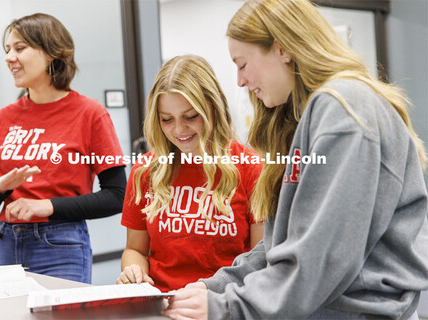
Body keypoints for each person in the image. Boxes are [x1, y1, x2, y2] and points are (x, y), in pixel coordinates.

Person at [165, 0, 428, 319]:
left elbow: (319, 258)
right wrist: (217, 287)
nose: (240, 81)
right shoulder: (312, 116)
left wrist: (227, 306)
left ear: (282, 49)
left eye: (243, 64)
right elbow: (286, 241)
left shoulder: (343, 111)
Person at [0, 13, 126, 284]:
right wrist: (0, 185)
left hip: (61, 246)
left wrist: (47, 206)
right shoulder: (0, 120)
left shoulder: (90, 114)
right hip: (6, 242)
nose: (9, 57)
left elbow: (117, 195)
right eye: (7, 50)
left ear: (53, 53)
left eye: (20, 48)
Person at [117, 55, 264, 292]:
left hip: (224, 305)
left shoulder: (250, 168)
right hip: (163, 305)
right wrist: (134, 272)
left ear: (213, 108)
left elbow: (261, 263)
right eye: (167, 119)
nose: (179, 130)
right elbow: (135, 250)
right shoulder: (145, 171)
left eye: (191, 116)